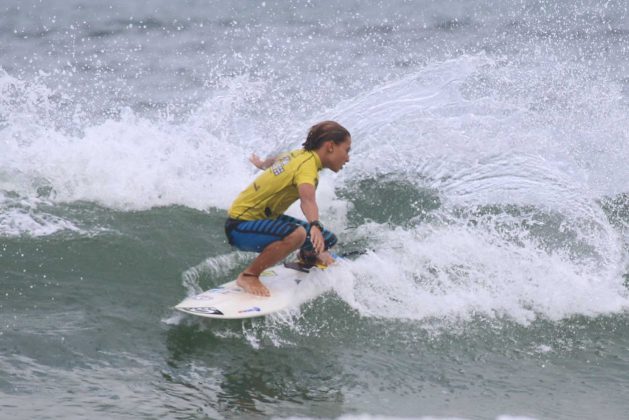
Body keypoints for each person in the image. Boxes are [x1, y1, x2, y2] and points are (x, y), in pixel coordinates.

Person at [224, 121, 352, 296]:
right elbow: (307, 200)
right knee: (298, 234)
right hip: (240, 226)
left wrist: (261, 164)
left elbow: (276, 161)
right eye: (346, 150)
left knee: (326, 240)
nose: (348, 157)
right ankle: (249, 275)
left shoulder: (298, 155)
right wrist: (314, 225)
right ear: (330, 146)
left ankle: (308, 257)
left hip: (262, 219)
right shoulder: (307, 167)